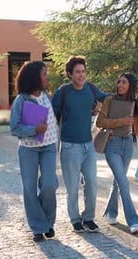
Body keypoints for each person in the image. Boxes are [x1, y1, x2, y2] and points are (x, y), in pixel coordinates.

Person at [51, 55, 108, 233]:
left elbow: (107, 98)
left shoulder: (91, 89)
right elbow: (50, 115)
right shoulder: (63, 92)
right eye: (77, 72)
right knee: (73, 187)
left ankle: (89, 218)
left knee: (91, 183)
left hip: (88, 146)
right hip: (69, 147)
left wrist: (128, 97)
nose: (81, 75)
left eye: (83, 71)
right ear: (70, 74)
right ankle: (75, 219)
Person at [9, 61, 59, 242]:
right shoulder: (21, 100)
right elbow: (14, 128)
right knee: (29, 188)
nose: (47, 78)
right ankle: (39, 227)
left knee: (49, 185)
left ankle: (48, 221)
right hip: (28, 150)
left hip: (49, 147)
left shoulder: (48, 96)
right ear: (34, 77)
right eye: (44, 74)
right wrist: (34, 130)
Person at [96, 73, 138, 234]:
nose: (120, 85)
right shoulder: (110, 100)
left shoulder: (135, 101)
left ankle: (111, 212)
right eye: (119, 82)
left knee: (118, 181)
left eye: (124, 82)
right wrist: (121, 122)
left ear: (130, 84)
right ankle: (133, 220)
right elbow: (100, 122)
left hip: (128, 144)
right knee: (124, 183)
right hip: (112, 144)